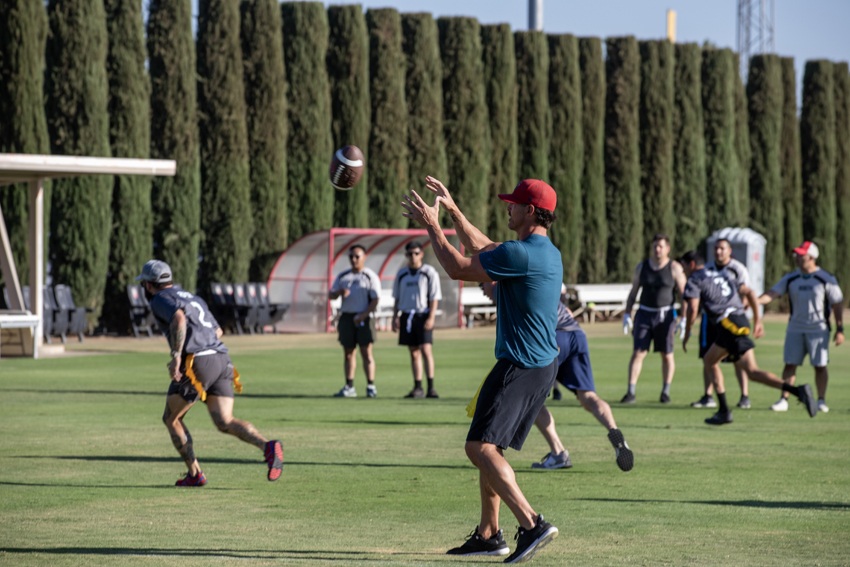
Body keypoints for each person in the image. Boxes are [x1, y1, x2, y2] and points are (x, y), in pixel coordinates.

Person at [403, 177, 560, 563]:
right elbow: (485, 247)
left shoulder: (520, 255)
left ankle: (532, 523)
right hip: (537, 363)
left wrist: (433, 225)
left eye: (514, 204)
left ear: (530, 211)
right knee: (490, 444)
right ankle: (489, 534)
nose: (508, 207)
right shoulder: (541, 251)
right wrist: (454, 211)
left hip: (520, 364)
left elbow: (457, 267)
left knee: (479, 447)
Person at [137, 260, 283, 486]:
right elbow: (217, 330)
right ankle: (268, 447)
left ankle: (195, 474)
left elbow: (179, 318)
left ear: (148, 285)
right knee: (225, 420)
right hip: (222, 359)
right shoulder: (193, 297)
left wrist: (177, 356)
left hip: (198, 362)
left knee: (171, 418)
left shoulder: (160, 298)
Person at [481, 282, 634, 473]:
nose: (484, 292)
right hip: (576, 334)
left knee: (531, 399)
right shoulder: (530, 277)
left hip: (553, 337)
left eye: (482, 285)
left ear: (492, 280)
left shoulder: (499, 288)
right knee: (588, 397)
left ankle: (558, 452)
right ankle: (615, 433)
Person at [679, 251, 818, 425]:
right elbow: (749, 292)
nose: (683, 271)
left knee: (752, 371)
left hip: (729, 325)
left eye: (683, 267)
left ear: (691, 264)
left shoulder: (694, 279)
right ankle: (723, 410)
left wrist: (686, 333)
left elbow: (692, 307)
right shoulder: (720, 274)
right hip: (737, 321)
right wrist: (757, 320)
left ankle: (798, 391)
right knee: (710, 360)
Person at [758, 242, 844, 413]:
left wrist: (840, 330)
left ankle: (821, 400)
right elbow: (773, 293)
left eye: (801, 255)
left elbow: (837, 304)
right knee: (790, 364)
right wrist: (754, 301)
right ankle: (784, 399)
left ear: (811, 257)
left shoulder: (825, 278)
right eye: (796, 254)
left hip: (818, 329)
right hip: (795, 328)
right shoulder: (791, 278)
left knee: (820, 365)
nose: (797, 258)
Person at [620, 234, 687, 404]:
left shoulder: (674, 268)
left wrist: (684, 319)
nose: (657, 249)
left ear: (667, 249)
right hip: (644, 314)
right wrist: (627, 313)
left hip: (665, 316)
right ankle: (631, 392)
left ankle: (665, 392)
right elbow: (634, 292)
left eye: (661, 246)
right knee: (638, 353)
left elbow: (684, 295)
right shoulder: (642, 267)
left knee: (667, 355)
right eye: (655, 246)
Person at [691, 238, 753, 410]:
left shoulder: (737, 269)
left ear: (729, 250)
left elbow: (746, 292)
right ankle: (708, 395)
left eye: (722, 248)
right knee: (708, 357)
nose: (719, 252)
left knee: (737, 358)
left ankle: (744, 395)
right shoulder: (708, 269)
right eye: (716, 248)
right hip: (710, 319)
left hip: (731, 318)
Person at [329, 244, 381, 398]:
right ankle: (349, 386)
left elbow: (375, 299)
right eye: (351, 257)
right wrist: (338, 292)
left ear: (364, 257)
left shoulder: (369, 276)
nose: (354, 259)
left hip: (364, 317)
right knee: (348, 353)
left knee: (366, 353)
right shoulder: (343, 276)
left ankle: (371, 385)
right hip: (347, 317)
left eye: (357, 256)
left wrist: (364, 315)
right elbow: (331, 294)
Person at [391, 241, 442, 398]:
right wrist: (395, 317)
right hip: (407, 316)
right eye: (410, 253)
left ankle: (431, 388)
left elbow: (434, 297)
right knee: (413, 353)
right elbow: (397, 298)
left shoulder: (429, 272)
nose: (413, 256)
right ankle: (418, 387)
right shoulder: (402, 274)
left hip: (423, 314)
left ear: (421, 254)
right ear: (406, 255)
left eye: (416, 253)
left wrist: (431, 317)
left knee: (426, 350)